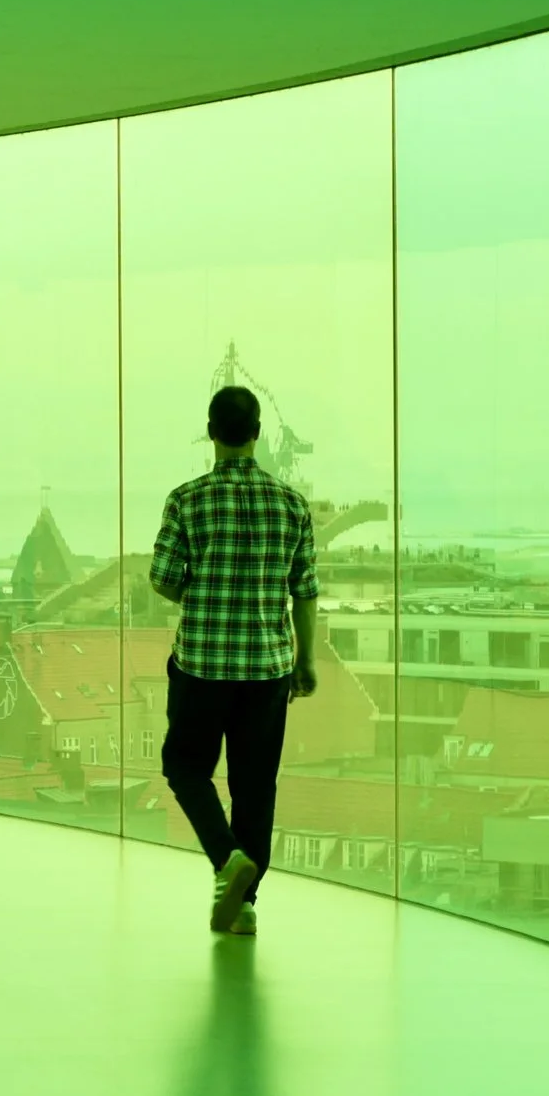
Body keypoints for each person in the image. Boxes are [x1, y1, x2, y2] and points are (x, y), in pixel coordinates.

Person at [149, 384, 319, 936]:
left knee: (185, 768)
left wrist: (203, 590)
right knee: (255, 786)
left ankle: (228, 860)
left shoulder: (186, 500)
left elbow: (165, 581)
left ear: (210, 430)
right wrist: (305, 659)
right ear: (258, 433)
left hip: (202, 667)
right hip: (268, 671)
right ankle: (245, 906)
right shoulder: (292, 505)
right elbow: (305, 589)